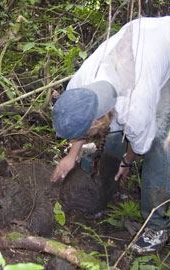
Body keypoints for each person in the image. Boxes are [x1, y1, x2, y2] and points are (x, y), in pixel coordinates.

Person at [50, 16, 170, 255]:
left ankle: (157, 226)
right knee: (115, 135)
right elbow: (91, 122)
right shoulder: (79, 86)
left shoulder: (137, 105)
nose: (86, 136)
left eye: (87, 132)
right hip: (139, 39)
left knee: (158, 146)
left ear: (97, 120)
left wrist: (127, 161)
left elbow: (140, 143)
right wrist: (72, 155)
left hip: (163, 56)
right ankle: (107, 193)